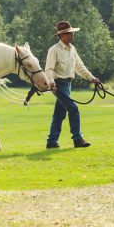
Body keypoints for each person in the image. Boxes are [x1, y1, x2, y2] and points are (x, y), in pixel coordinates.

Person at [44, 21, 100, 149]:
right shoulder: (54, 50)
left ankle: (51, 141)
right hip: (58, 85)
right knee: (73, 109)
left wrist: (92, 78)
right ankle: (77, 139)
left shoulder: (72, 50)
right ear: (62, 35)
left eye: (72, 33)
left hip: (68, 84)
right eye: (69, 34)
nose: (72, 36)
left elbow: (79, 67)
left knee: (59, 114)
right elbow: (49, 69)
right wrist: (51, 83)